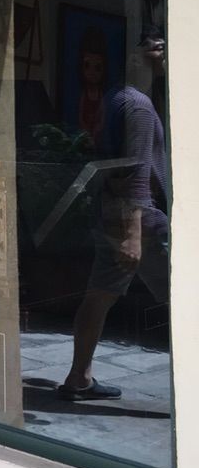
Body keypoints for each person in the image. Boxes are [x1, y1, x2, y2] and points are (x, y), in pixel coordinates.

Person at [60, 30, 168, 400]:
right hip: (141, 220)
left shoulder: (115, 97)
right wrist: (133, 235)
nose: (163, 56)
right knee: (186, 298)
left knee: (98, 295)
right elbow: (135, 169)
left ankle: (78, 378)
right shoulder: (137, 105)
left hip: (111, 213)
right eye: (157, 49)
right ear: (135, 57)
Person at [76, 25, 109, 150]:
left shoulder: (101, 95)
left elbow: (102, 117)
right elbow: (81, 116)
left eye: (98, 68)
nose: (92, 73)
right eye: (87, 66)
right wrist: (86, 132)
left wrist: (95, 132)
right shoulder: (84, 94)